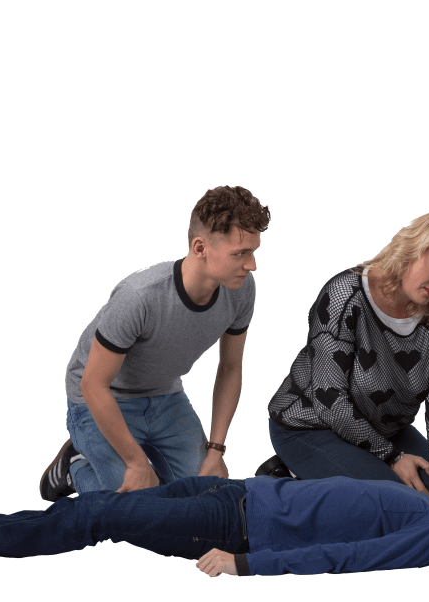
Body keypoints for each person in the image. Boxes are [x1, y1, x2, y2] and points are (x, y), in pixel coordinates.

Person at [0, 458, 429, 574]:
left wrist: (246, 564)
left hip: (234, 531)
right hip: (234, 496)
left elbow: (343, 559)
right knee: (92, 506)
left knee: (93, 520)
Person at [39, 186, 270, 501]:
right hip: (100, 398)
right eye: (240, 253)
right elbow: (94, 384)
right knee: (138, 506)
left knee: (208, 497)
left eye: (253, 251)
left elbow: (230, 367)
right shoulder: (139, 296)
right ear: (200, 247)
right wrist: (135, 462)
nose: (252, 264)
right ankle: (74, 467)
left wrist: (215, 450)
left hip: (164, 395)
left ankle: (122, 463)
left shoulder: (242, 289)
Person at [266, 208, 429, 507]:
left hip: (385, 428)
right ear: (412, 249)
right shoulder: (345, 295)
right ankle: (288, 477)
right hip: (311, 423)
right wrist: (393, 458)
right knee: (396, 506)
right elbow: (329, 398)